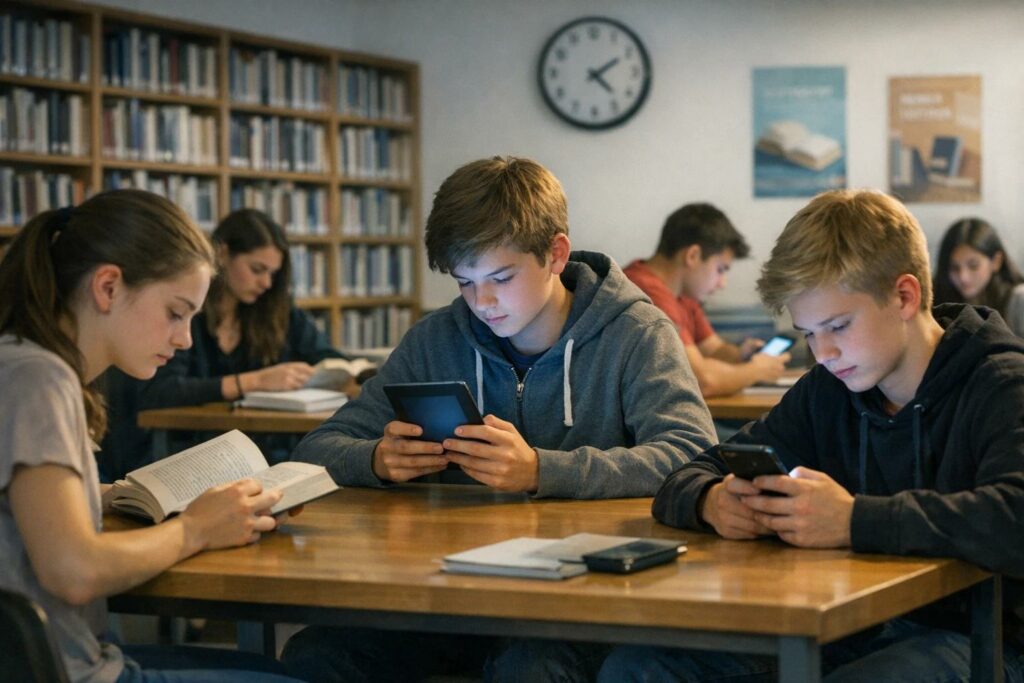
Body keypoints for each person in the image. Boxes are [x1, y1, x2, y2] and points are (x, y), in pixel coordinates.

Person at [281, 156, 717, 682]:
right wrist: (375, 458)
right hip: (447, 594)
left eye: (501, 278)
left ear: (556, 253)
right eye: (465, 282)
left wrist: (541, 470)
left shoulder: (637, 333)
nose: (482, 302)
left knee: (532, 669)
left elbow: (691, 456)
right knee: (318, 656)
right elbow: (318, 446)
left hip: (584, 603)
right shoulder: (436, 338)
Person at [597, 190, 1024, 682]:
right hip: (859, 620)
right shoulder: (829, 388)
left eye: (838, 326)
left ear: (904, 296)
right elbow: (693, 470)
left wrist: (854, 521)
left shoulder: (1000, 381)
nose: (822, 353)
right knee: (639, 668)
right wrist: (710, 501)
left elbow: (1013, 516)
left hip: (987, 639)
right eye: (808, 333)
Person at [0, 190, 302, 682]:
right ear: (108, 286)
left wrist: (119, 496)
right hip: (72, 670)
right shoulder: (40, 379)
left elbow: (23, 507)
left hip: (69, 658)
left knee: (270, 667)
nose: (184, 338)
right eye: (175, 312)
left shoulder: (19, 361)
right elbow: (73, 571)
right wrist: (195, 528)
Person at [122, 208, 354, 472]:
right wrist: (255, 381)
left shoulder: (278, 312)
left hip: (267, 459)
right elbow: (161, 391)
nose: (266, 282)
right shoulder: (188, 313)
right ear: (222, 254)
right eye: (257, 269)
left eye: (273, 274)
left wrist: (345, 374)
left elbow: (328, 357)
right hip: (189, 458)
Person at [624, 203, 789, 397]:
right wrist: (756, 370)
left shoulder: (682, 295)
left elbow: (713, 348)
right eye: (720, 270)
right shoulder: (647, 295)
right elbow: (701, 381)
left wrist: (742, 355)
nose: (722, 283)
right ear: (693, 256)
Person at [933, 216, 1024, 336]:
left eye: (973, 266)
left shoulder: (1018, 300)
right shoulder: (940, 303)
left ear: (996, 261)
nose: (963, 277)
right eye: (955, 268)